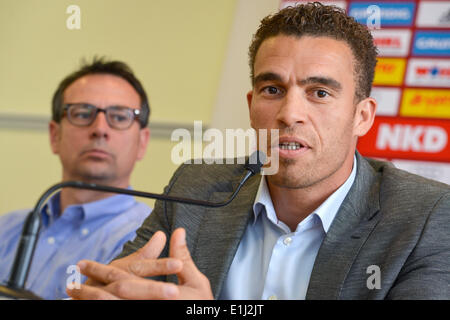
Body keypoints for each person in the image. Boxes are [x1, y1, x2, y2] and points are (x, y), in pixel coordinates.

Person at [67, 3, 450, 300]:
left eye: (319, 93)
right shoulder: (195, 188)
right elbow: (119, 282)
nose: (289, 114)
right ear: (251, 106)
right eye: (272, 90)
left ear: (362, 117)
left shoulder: (426, 217)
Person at [0, 58, 152, 300]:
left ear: (142, 143)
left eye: (120, 117)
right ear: (54, 135)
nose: (100, 129)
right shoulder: (5, 229)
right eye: (82, 113)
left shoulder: (146, 242)